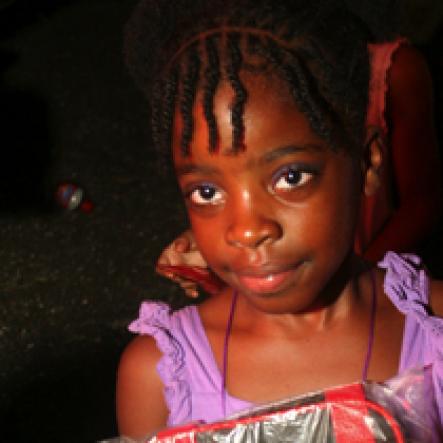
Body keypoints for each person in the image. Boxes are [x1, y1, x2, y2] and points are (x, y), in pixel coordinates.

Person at [117, 0, 443, 440]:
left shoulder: (433, 332)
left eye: (291, 177)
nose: (247, 230)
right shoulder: (156, 376)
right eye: (207, 192)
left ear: (367, 163)